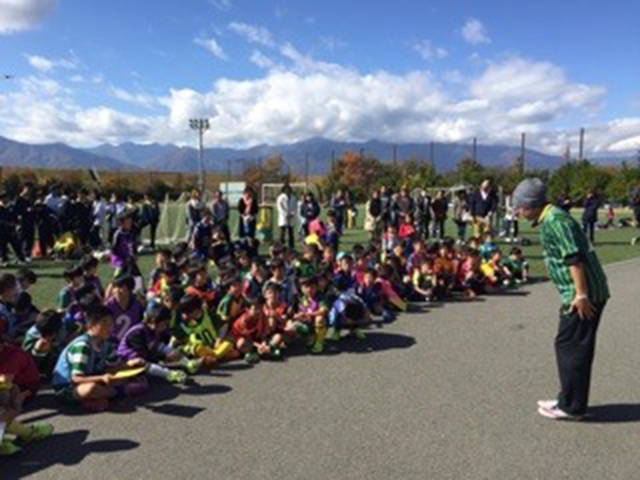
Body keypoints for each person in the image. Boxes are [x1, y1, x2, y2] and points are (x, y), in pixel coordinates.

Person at [512, 178, 609, 420]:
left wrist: (581, 294)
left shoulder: (554, 220)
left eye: (520, 206)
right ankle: (569, 399)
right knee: (572, 345)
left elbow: (573, 258)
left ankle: (572, 406)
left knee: (571, 347)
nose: (518, 211)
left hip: (583, 295)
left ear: (531, 204)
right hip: (578, 293)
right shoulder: (551, 217)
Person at [52, 305, 147, 412]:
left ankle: (99, 398)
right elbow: (77, 378)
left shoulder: (106, 344)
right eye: (105, 323)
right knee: (90, 388)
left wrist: (131, 364)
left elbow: (115, 366)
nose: (110, 328)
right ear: (91, 325)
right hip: (69, 387)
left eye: (111, 323)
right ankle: (122, 391)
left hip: (93, 378)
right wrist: (102, 378)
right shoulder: (82, 346)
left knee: (120, 376)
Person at [276, 185, 297, 249]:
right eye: (287, 190)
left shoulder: (293, 197)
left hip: (291, 217)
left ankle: (291, 247)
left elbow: (295, 206)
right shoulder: (280, 197)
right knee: (282, 233)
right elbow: (279, 207)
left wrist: (292, 213)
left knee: (291, 233)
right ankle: (281, 246)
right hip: (283, 217)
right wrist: (285, 214)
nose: (288, 191)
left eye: (289, 190)